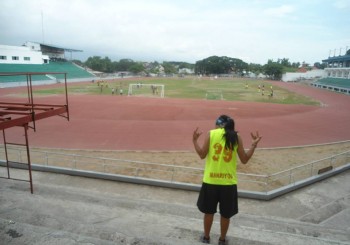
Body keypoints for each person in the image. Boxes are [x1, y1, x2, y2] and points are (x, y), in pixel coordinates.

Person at [192, 115, 262, 245]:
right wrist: (253, 145)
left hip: (210, 181)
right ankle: (222, 240)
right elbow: (244, 160)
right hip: (228, 183)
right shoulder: (237, 136)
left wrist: (194, 141)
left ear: (218, 124)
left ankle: (206, 238)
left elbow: (202, 155)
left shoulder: (211, 134)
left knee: (208, 212)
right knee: (225, 215)